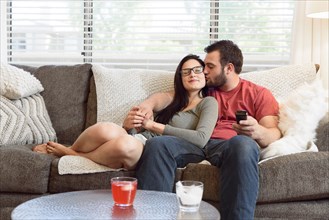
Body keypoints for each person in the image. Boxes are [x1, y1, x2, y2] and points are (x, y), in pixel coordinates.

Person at [123, 40, 281, 219]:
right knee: (158, 144)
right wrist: (148, 105)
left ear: (228, 68)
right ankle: (152, 216)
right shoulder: (203, 87)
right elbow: (167, 97)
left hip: (228, 146)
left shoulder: (258, 94)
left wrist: (258, 131)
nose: (204, 71)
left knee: (243, 145)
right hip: (193, 143)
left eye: (210, 66)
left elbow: (274, 133)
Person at [33, 54, 218, 171]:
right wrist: (131, 126)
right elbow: (151, 110)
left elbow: (201, 138)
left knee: (124, 144)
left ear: (205, 75)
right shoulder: (172, 98)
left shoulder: (208, 103)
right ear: (180, 78)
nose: (192, 74)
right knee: (106, 128)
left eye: (197, 70)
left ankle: (71, 154)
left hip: (153, 151)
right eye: (186, 72)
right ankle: (72, 148)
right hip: (140, 138)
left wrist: (152, 125)